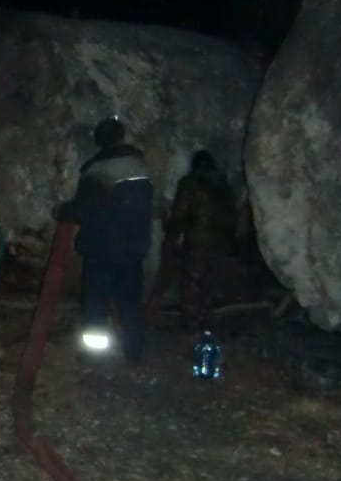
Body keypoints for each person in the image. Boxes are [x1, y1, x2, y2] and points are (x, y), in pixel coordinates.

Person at [57, 115, 153, 364]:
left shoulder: (99, 170)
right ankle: (134, 351)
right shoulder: (140, 166)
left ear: (100, 140)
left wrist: (61, 211)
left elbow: (83, 208)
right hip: (133, 247)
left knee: (95, 304)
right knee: (130, 301)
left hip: (103, 247)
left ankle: (94, 355)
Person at [153, 149, 236, 330]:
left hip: (198, 241)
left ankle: (191, 323)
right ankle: (208, 320)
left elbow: (180, 212)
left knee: (193, 282)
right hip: (222, 241)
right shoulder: (224, 186)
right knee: (210, 281)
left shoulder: (190, 184)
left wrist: (171, 234)